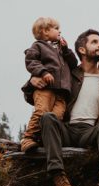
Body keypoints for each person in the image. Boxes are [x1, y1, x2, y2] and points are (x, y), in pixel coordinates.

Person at [37, 28, 99, 186]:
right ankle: (59, 177)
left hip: (91, 132)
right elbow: (41, 86)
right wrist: (33, 79)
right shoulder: (69, 74)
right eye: (94, 42)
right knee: (47, 118)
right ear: (82, 50)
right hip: (67, 129)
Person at [20, 17, 77, 153]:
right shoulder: (38, 46)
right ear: (45, 31)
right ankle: (28, 138)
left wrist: (66, 49)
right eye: (56, 28)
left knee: (56, 118)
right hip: (45, 89)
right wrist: (43, 72)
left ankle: (41, 139)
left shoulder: (62, 50)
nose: (60, 31)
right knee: (42, 111)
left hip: (61, 93)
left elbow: (73, 64)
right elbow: (31, 60)